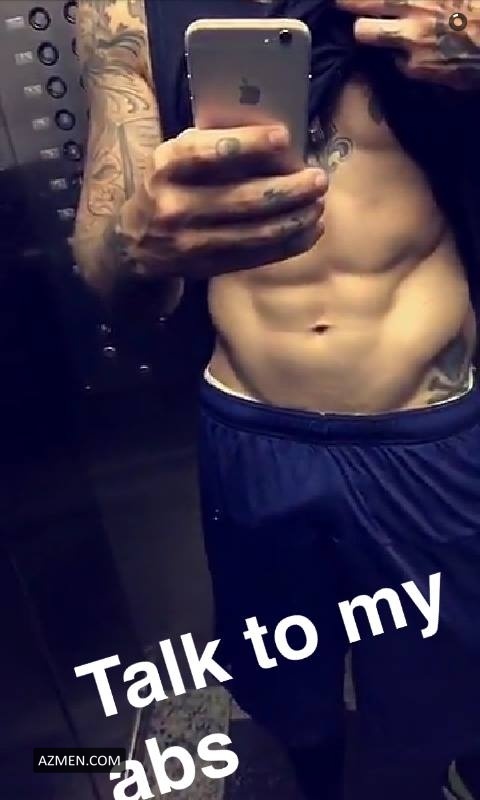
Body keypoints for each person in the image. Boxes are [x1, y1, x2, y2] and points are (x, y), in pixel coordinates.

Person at [74, 1, 480, 797]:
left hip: (424, 429)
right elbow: (105, 263)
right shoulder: (120, 10)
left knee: (442, 690)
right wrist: (137, 241)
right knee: (284, 688)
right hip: (253, 427)